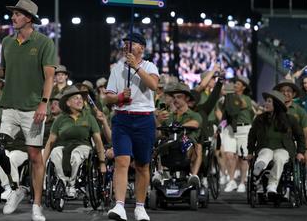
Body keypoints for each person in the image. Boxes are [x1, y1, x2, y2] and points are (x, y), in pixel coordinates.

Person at [0, 0, 56, 221]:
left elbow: (50, 76)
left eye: (17, 14)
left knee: (35, 156)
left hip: (33, 109)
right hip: (10, 107)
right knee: (0, 149)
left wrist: (44, 102)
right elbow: (4, 73)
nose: (13, 17)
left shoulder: (44, 43)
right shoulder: (7, 42)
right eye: (13, 14)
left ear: (29, 18)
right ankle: (16, 188)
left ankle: (37, 205)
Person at [102, 32, 159, 221]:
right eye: (125, 43)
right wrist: (119, 97)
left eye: (132, 43)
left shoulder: (150, 66)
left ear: (141, 48)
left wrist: (136, 67)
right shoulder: (116, 68)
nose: (126, 45)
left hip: (144, 120)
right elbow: (108, 97)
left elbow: (153, 85)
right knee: (121, 161)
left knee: (143, 165)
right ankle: (119, 206)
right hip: (122, 119)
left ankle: (140, 207)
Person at [43, 86, 106, 198]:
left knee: (75, 155)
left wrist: (102, 162)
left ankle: (71, 185)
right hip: (63, 146)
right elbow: (51, 142)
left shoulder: (89, 118)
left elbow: (98, 141)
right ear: (68, 103)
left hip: (83, 146)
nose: (80, 100)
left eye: (81, 98)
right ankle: (62, 182)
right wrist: (43, 162)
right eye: (76, 98)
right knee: (55, 152)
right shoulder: (60, 119)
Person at [247, 91, 305, 197]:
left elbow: (300, 136)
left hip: (283, 148)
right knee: (266, 153)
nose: (266, 104)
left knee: (279, 157)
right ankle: (258, 170)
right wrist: (250, 152)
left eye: (269, 101)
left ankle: (272, 186)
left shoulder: (290, 119)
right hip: (265, 147)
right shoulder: (260, 119)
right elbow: (251, 136)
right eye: (266, 101)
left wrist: (301, 152)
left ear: (276, 105)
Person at [156, 83, 203, 186]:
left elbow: (195, 123)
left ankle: (193, 177)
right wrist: (158, 121)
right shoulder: (169, 116)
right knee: (159, 142)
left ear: (186, 98)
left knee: (198, 146)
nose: (176, 99)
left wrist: (178, 126)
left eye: (179, 97)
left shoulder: (194, 115)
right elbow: (159, 134)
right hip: (170, 147)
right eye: (174, 97)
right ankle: (158, 173)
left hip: (187, 146)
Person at [217, 75, 254, 193]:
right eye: (235, 83)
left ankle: (242, 182)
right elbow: (221, 109)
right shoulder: (227, 98)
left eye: (238, 84)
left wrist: (233, 95)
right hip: (230, 129)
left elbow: (241, 104)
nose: (235, 85)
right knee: (229, 155)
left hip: (244, 130)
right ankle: (231, 180)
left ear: (243, 87)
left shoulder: (246, 98)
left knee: (243, 158)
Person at [273, 79, 307, 172]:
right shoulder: (272, 109)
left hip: (294, 144)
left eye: (288, 91)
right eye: (282, 91)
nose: (285, 93)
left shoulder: (300, 111)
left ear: (293, 94)